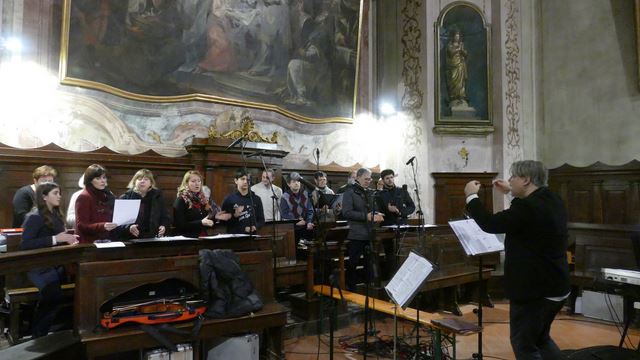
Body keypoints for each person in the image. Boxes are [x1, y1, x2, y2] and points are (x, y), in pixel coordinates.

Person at [463, 160, 570, 359]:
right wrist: (511, 192)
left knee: (524, 345)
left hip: (534, 290)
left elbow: (490, 223)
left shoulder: (528, 208)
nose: (510, 179)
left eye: (513, 176)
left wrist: (471, 197)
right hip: (556, 283)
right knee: (540, 339)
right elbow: (525, 215)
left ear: (526, 179)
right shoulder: (551, 198)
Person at [21, 182, 79, 337]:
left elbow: (60, 237)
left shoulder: (56, 215)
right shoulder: (34, 217)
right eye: (55, 193)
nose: (59, 196)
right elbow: (25, 244)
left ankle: (59, 331)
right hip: (38, 266)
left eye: (59, 193)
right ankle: (39, 335)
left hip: (55, 264)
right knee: (52, 294)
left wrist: (69, 238)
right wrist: (55, 238)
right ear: (44, 196)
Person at [341, 168, 384, 290]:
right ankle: (351, 287)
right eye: (366, 179)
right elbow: (347, 212)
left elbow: (372, 208)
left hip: (370, 232)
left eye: (370, 179)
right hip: (356, 233)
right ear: (358, 178)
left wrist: (377, 214)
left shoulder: (370, 192)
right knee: (353, 262)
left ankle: (368, 286)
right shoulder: (350, 192)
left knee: (369, 262)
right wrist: (366, 216)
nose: (368, 181)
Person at [173, 170, 230, 238]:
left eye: (199, 181)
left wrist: (215, 218)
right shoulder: (181, 200)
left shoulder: (201, 199)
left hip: (203, 237)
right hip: (188, 239)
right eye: (193, 181)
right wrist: (201, 223)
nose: (197, 184)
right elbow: (180, 225)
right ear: (186, 183)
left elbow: (206, 221)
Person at [118, 169, 170, 239]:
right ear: (134, 182)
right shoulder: (126, 197)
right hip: (131, 238)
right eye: (139, 179)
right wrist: (129, 227)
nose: (142, 181)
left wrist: (164, 226)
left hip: (153, 237)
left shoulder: (157, 197)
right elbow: (119, 222)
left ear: (151, 183)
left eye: (146, 179)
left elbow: (165, 216)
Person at [75, 164, 117, 243]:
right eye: (98, 178)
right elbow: (81, 225)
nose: (103, 181)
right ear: (90, 180)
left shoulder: (108, 195)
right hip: (88, 243)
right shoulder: (84, 197)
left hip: (105, 240)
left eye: (104, 177)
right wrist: (102, 226)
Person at [221, 169, 265, 234]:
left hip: (252, 237)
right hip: (235, 237)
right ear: (236, 181)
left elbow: (261, 220)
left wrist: (255, 227)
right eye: (242, 179)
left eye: (248, 179)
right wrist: (234, 216)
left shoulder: (256, 199)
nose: (245, 182)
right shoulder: (229, 199)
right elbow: (223, 222)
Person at [280, 172, 315, 241]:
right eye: (293, 182)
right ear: (288, 184)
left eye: (298, 181)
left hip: (306, 226)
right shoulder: (284, 197)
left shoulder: (306, 194)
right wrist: (297, 221)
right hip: (293, 228)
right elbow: (284, 214)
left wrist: (309, 222)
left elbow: (310, 210)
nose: (296, 183)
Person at [446, 29, 468, 106]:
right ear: (453, 37)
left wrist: (463, 51)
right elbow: (451, 53)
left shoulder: (461, 44)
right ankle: (453, 96)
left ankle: (461, 96)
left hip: (460, 65)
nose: (457, 37)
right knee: (453, 79)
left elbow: (465, 54)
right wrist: (459, 49)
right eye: (456, 36)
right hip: (453, 65)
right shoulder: (450, 45)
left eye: (458, 36)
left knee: (461, 81)